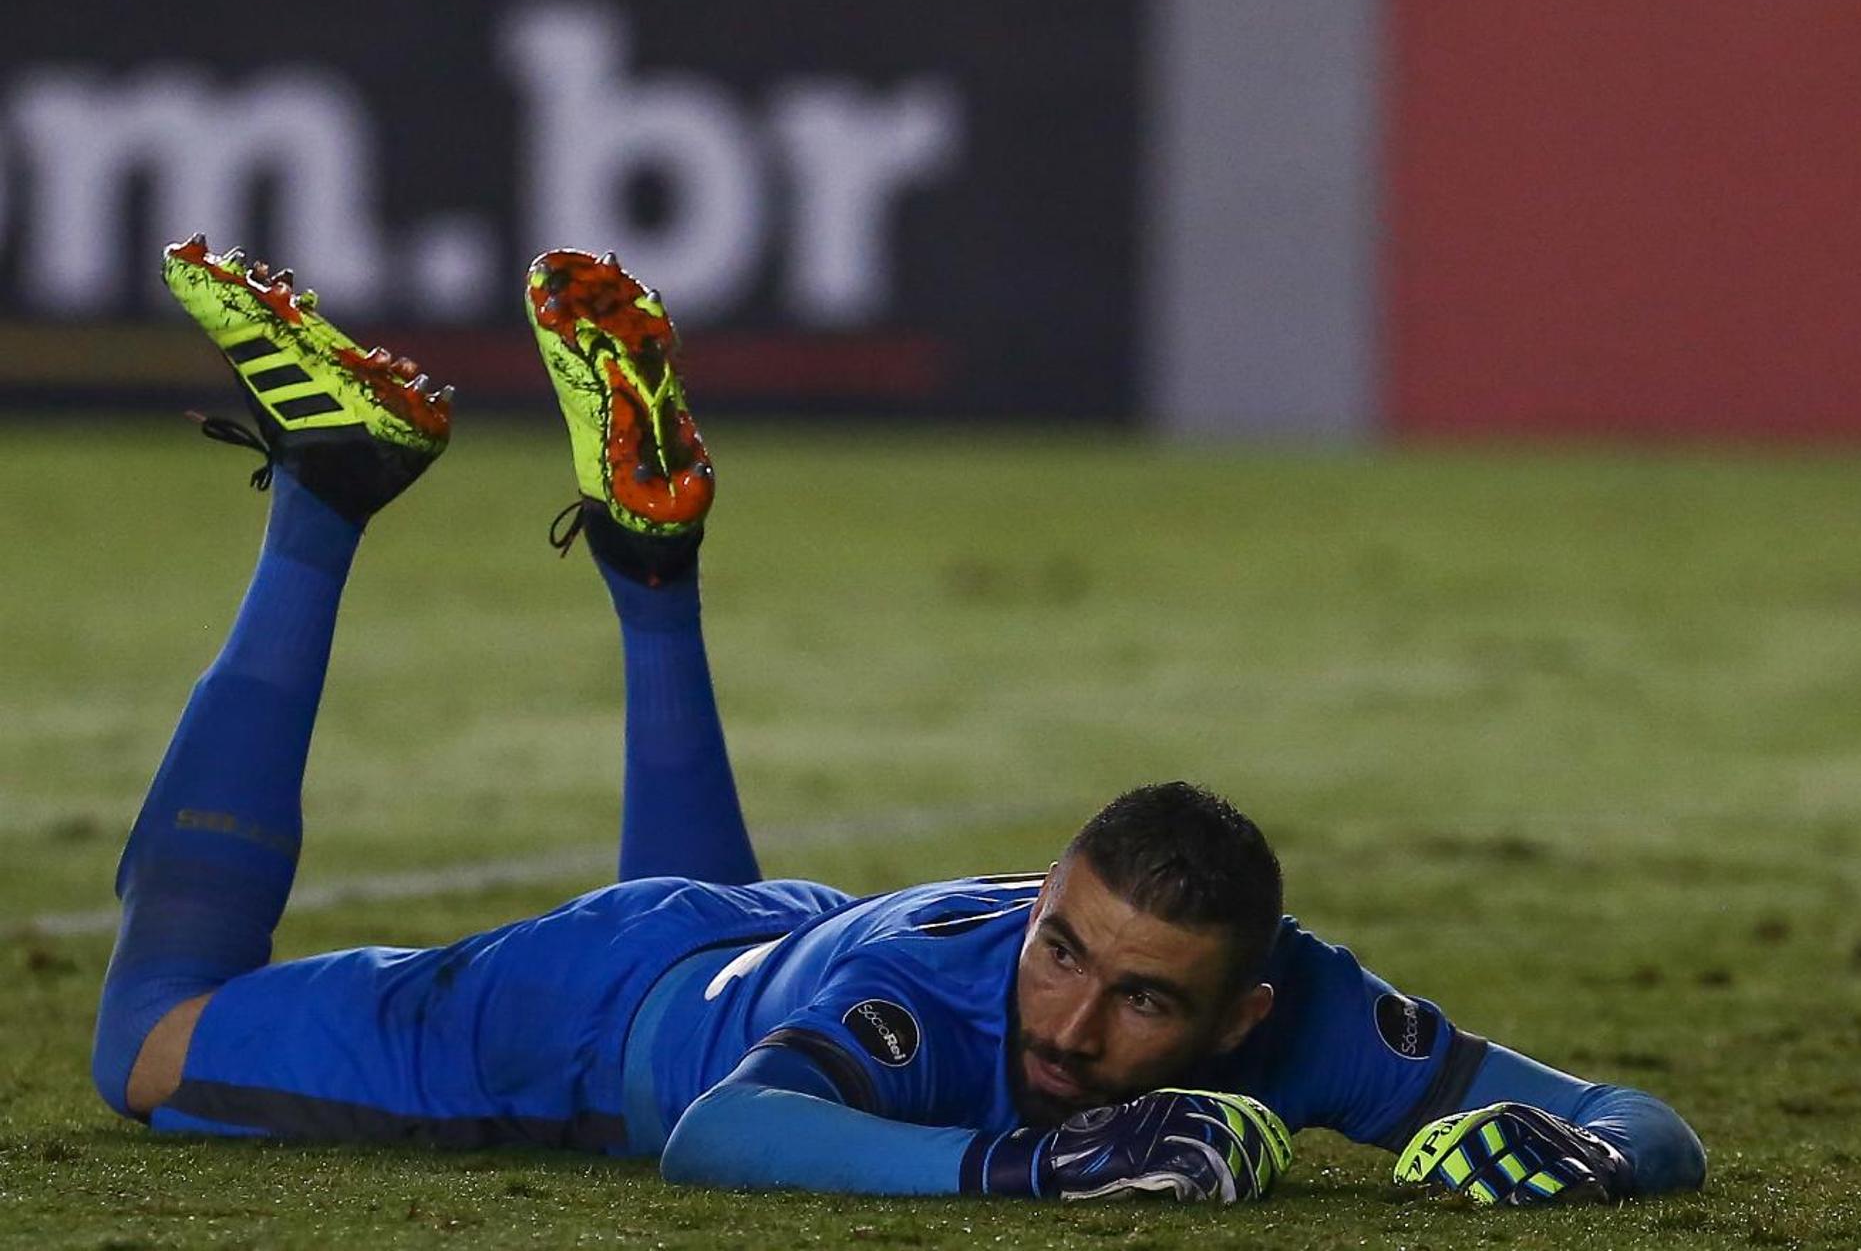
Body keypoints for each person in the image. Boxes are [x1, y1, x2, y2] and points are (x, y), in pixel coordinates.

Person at [90, 237, 1707, 1206]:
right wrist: (1026, 1169)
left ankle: (656, 570)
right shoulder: (930, 1008)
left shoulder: (1313, 1014)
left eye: (1145, 1004)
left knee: (701, 963)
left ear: (1244, 1015)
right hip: (573, 1023)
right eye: (1061, 951)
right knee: (148, 1040)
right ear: (1044, 897)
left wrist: (1592, 1161)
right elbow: (729, 1137)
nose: (1072, 1030)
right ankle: (328, 489)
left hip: (739, 941)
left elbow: (1639, 1120)